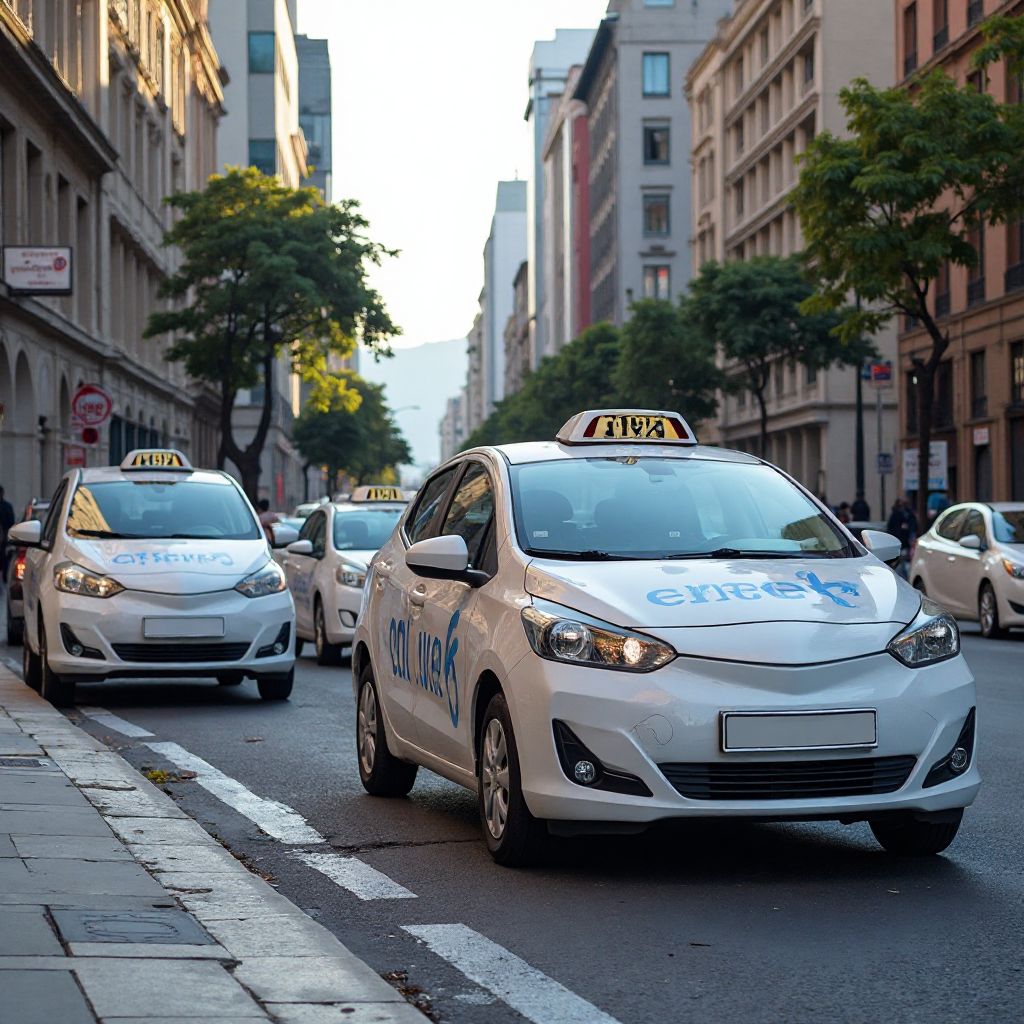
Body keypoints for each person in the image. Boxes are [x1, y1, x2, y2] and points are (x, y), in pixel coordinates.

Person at [886, 498, 919, 579]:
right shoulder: (901, 515)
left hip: (902, 543)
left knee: (903, 564)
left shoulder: (905, 515)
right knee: (902, 564)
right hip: (902, 543)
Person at [0, 486, 15, 582]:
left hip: (4, 538)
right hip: (4, 538)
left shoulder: (6, 507)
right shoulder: (7, 506)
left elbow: (11, 523)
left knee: (5, 559)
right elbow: (11, 522)